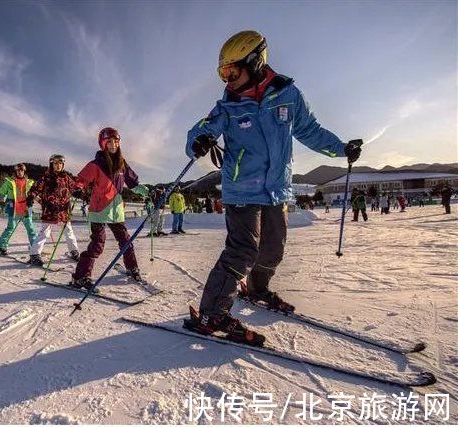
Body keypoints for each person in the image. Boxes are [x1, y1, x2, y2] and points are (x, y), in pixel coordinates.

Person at [182, 30, 362, 346]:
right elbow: (202, 129)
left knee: (273, 250)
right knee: (242, 250)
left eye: (231, 71)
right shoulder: (228, 107)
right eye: (223, 73)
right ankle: (212, 313)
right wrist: (198, 141)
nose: (227, 79)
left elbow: (311, 131)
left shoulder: (288, 96)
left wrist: (340, 149)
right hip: (240, 189)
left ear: (254, 61)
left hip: (276, 189)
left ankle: (256, 288)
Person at [70, 127, 149, 290]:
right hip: (99, 210)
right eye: (109, 142)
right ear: (103, 144)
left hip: (116, 210)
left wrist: (149, 193)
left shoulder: (122, 164)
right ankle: (81, 277)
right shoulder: (96, 164)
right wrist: (78, 188)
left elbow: (134, 184)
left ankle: (132, 267)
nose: (113, 145)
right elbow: (82, 179)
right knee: (97, 245)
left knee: (126, 241)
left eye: (116, 141)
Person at [28, 154, 82, 266]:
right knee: (44, 232)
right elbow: (35, 188)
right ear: (51, 164)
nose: (58, 166)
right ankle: (34, 254)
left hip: (63, 210)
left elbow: (75, 188)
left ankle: (74, 251)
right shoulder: (46, 177)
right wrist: (31, 196)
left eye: (60, 163)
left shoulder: (66, 178)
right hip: (50, 209)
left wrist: (80, 193)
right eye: (56, 163)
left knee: (68, 231)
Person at [0, 163, 37, 256]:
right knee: (10, 228)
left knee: (31, 229)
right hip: (14, 209)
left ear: (24, 171)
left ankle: (35, 248)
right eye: (18, 170)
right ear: (16, 171)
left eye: (21, 170)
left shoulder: (30, 182)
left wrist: (43, 203)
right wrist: (1, 203)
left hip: (26, 209)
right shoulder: (9, 181)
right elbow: (1, 193)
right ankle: (1, 247)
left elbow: (35, 195)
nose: (20, 172)